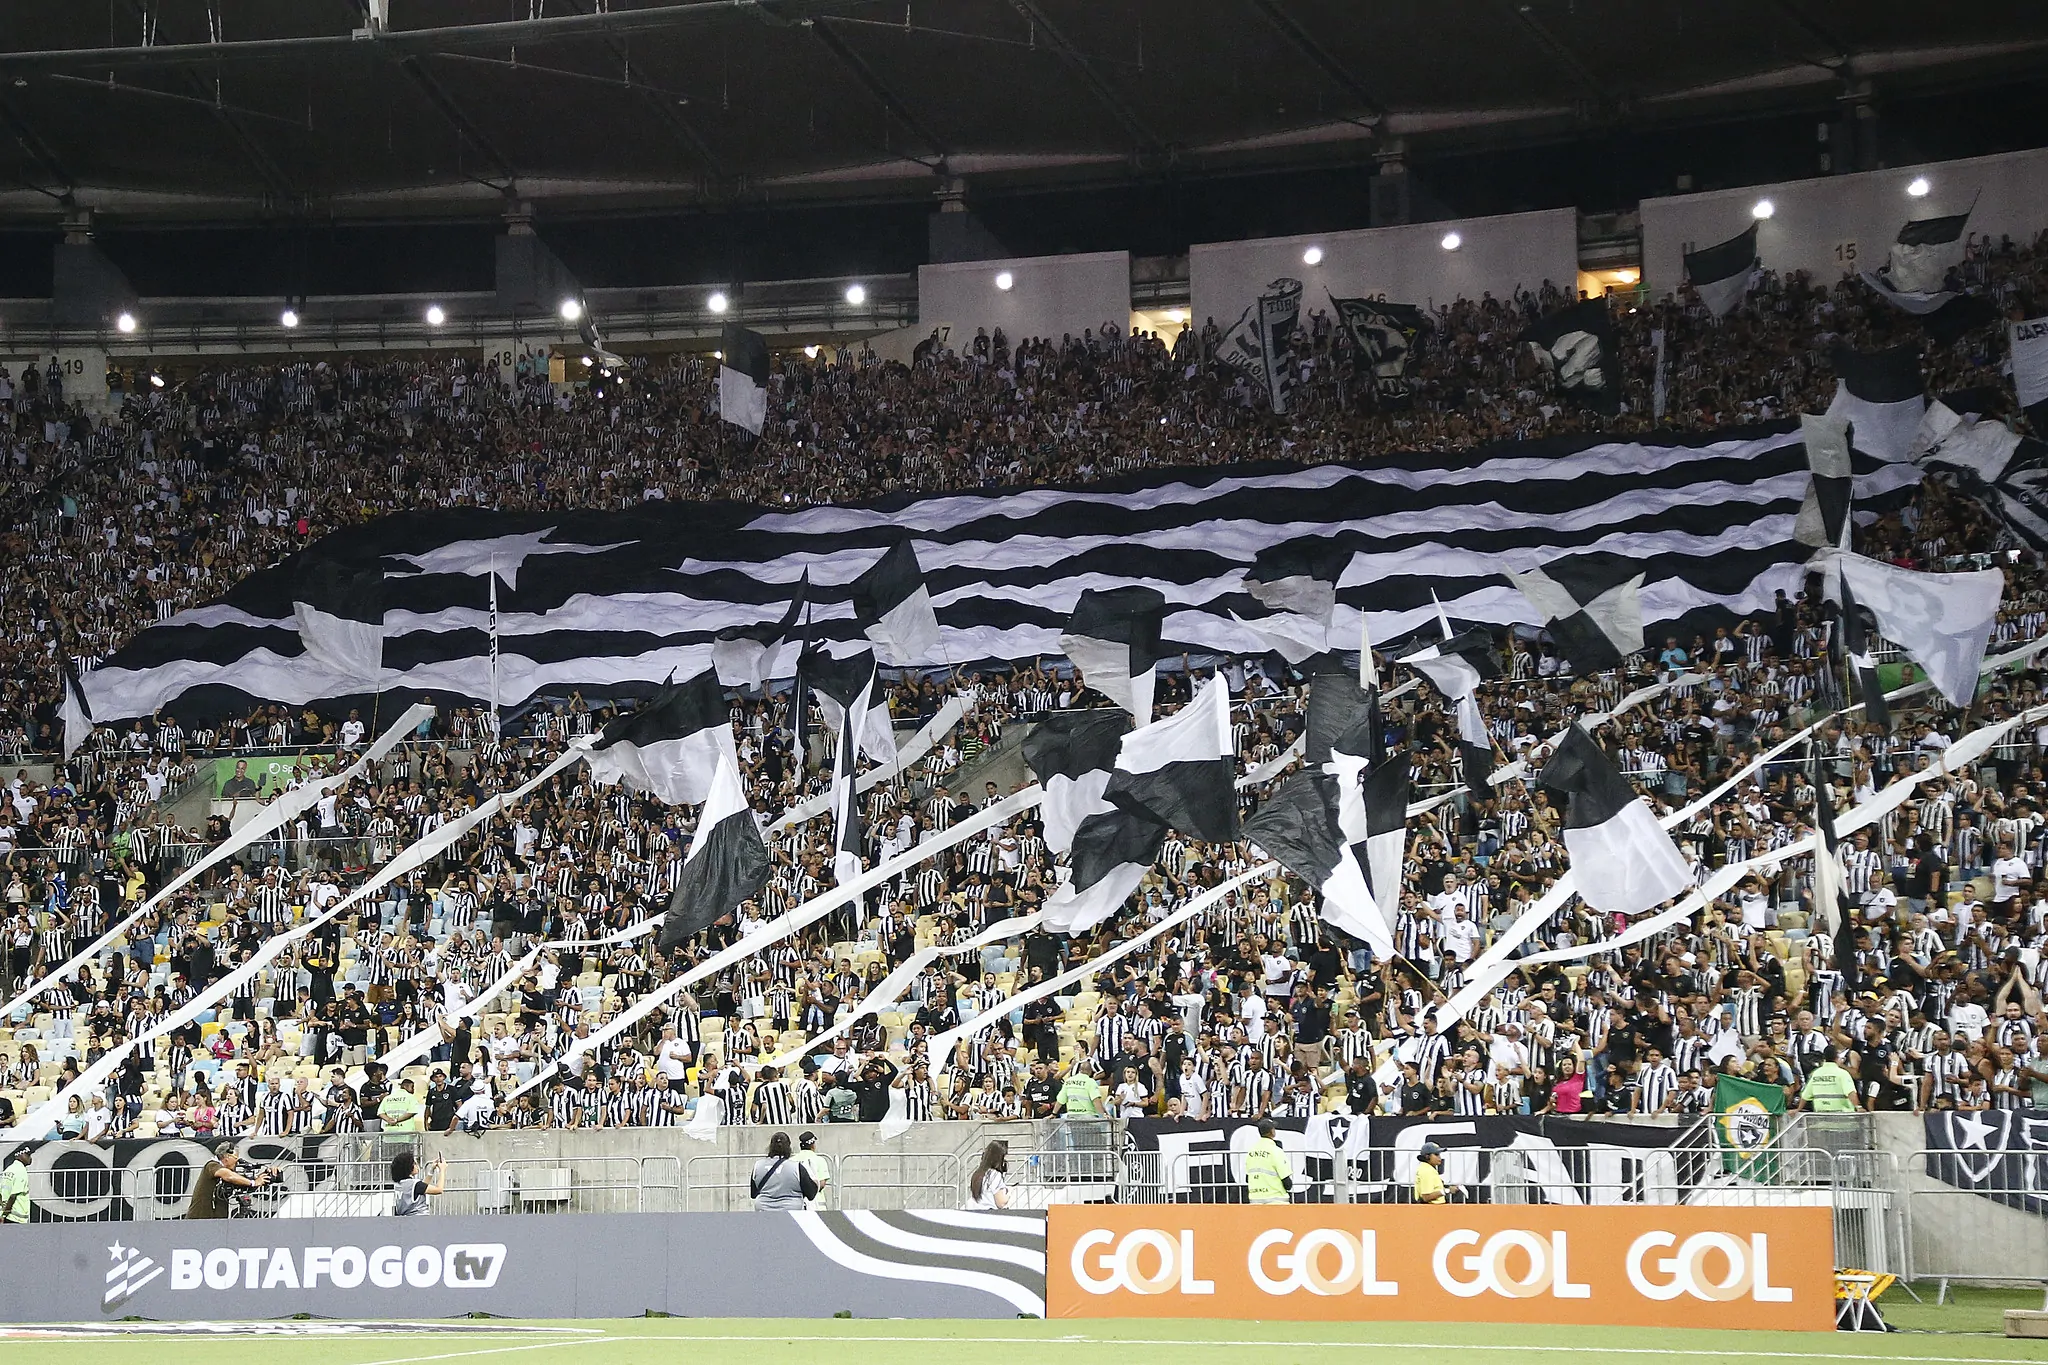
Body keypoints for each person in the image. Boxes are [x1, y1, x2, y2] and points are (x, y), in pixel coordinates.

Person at [185, 1146, 274, 1219]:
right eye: (236, 1157)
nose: (237, 1161)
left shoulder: (228, 1173)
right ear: (227, 1157)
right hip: (200, 1218)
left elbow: (242, 1182)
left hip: (216, 1220)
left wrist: (263, 1176)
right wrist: (253, 1182)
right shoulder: (212, 1165)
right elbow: (229, 1176)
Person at [750, 1130, 820, 1210]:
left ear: (770, 1147)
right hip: (791, 1211)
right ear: (789, 1147)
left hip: (763, 1210)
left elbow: (753, 1194)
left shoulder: (758, 1165)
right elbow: (811, 1195)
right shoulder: (796, 1167)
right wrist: (815, 1182)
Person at [1243, 1119, 1292, 1205]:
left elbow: (1247, 1178)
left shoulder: (1251, 1151)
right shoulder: (1276, 1151)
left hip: (1255, 1199)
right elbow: (1287, 1182)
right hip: (1276, 1200)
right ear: (1272, 1132)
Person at [1799, 1046, 1860, 1112]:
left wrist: (1798, 1109)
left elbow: (1805, 1095)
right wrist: (1859, 1107)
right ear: (1837, 1057)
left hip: (1821, 1113)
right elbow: (1851, 1093)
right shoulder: (1842, 1073)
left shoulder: (1815, 1073)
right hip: (1841, 1114)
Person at [390, 1150, 445, 1215]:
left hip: (405, 1218)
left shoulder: (399, 1184)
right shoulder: (414, 1184)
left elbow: (422, 1187)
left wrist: (431, 1170)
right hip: (419, 1217)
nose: (417, 1165)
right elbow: (439, 1189)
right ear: (409, 1167)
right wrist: (442, 1170)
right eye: (415, 1163)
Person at [967, 1140, 1011, 1210]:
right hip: (990, 1212)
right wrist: (1009, 1193)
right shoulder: (994, 1175)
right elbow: (1001, 1203)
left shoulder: (977, 1173)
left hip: (976, 1211)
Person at [795, 1131, 832, 1207]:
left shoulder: (792, 1160)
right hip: (817, 1203)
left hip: (798, 1203)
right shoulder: (820, 1160)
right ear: (813, 1145)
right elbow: (822, 1183)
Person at [1, 1146, 29, 1224]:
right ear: (19, 1155)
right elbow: (13, 1196)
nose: (30, 1158)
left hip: (7, 1214)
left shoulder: (8, 1169)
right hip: (16, 1217)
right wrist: (4, 1214)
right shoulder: (20, 1171)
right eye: (27, 1155)